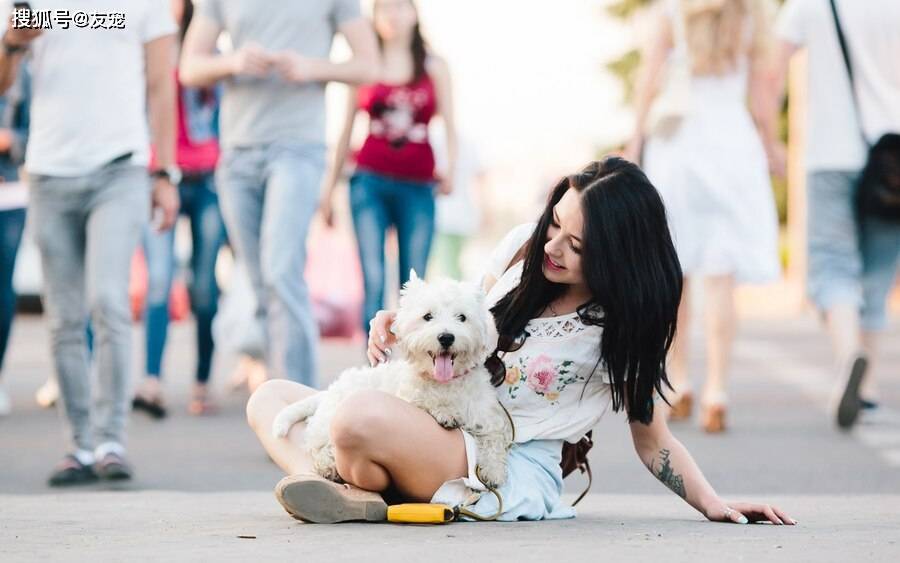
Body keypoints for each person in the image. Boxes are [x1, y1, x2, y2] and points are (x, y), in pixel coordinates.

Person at [246, 158, 794, 525]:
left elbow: (654, 442)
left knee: (355, 419)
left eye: (575, 243)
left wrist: (714, 505)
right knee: (269, 399)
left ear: (617, 256)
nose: (552, 246)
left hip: (494, 459)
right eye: (554, 223)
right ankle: (360, 494)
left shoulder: (620, 327)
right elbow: (461, 322)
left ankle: (359, 479)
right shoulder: (520, 251)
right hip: (433, 415)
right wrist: (404, 320)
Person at [0, 0, 179, 484]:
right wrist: (13, 44)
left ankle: (109, 440)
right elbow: (4, 85)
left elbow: (162, 86)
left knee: (108, 300)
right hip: (49, 172)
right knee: (64, 316)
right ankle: (78, 445)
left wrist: (164, 172)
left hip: (119, 169)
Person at [180, 0, 378, 387]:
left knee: (281, 271)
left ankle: (298, 407)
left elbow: (370, 65)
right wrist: (232, 62)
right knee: (261, 285)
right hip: (237, 154)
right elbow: (189, 67)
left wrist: (311, 68)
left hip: (298, 148)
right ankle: (276, 395)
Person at [624, 0, 782, 433]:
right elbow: (763, 96)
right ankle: (718, 390)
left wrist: (635, 142)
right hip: (734, 146)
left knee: (678, 271)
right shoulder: (751, 17)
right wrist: (771, 145)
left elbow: (649, 82)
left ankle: (681, 380)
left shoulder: (671, 14)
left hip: (681, 150)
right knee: (720, 275)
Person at [772, 0, 900, 429]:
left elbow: (772, 70)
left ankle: (850, 357)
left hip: (830, 154)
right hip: (893, 156)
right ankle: (865, 390)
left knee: (832, 264)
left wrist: (771, 138)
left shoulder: (809, 4)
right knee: (878, 271)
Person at [319, 0, 457, 336]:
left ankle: (412, 370)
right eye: (385, 9)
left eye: (400, 7)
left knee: (414, 282)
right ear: (374, 18)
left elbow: (451, 126)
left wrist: (450, 169)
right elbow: (345, 131)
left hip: (419, 184)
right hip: (369, 180)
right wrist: (328, 191)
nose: (393, 16)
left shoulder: (434, 66)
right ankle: (374, 367)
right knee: (373, 276)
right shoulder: (363, 67)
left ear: (414, 14)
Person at [133, 0, 227, 419]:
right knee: (158, 280)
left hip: (208, 181)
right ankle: (151, 379)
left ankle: (202, 378)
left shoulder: (210, 50)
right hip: (158, 176)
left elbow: (224, 115)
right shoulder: (144, 46)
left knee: (204, 288)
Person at [0, 60, 28, 417]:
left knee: (2, 290)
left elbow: (40, 129)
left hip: (10, 194)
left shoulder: (24, 71)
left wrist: (11, 140)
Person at [429, 128, 487, 281]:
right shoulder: (468, 142)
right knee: (451, 268)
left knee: (446, 270)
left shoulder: (433, 138)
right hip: (460, 217)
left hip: (442, 216)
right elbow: (480, 179)